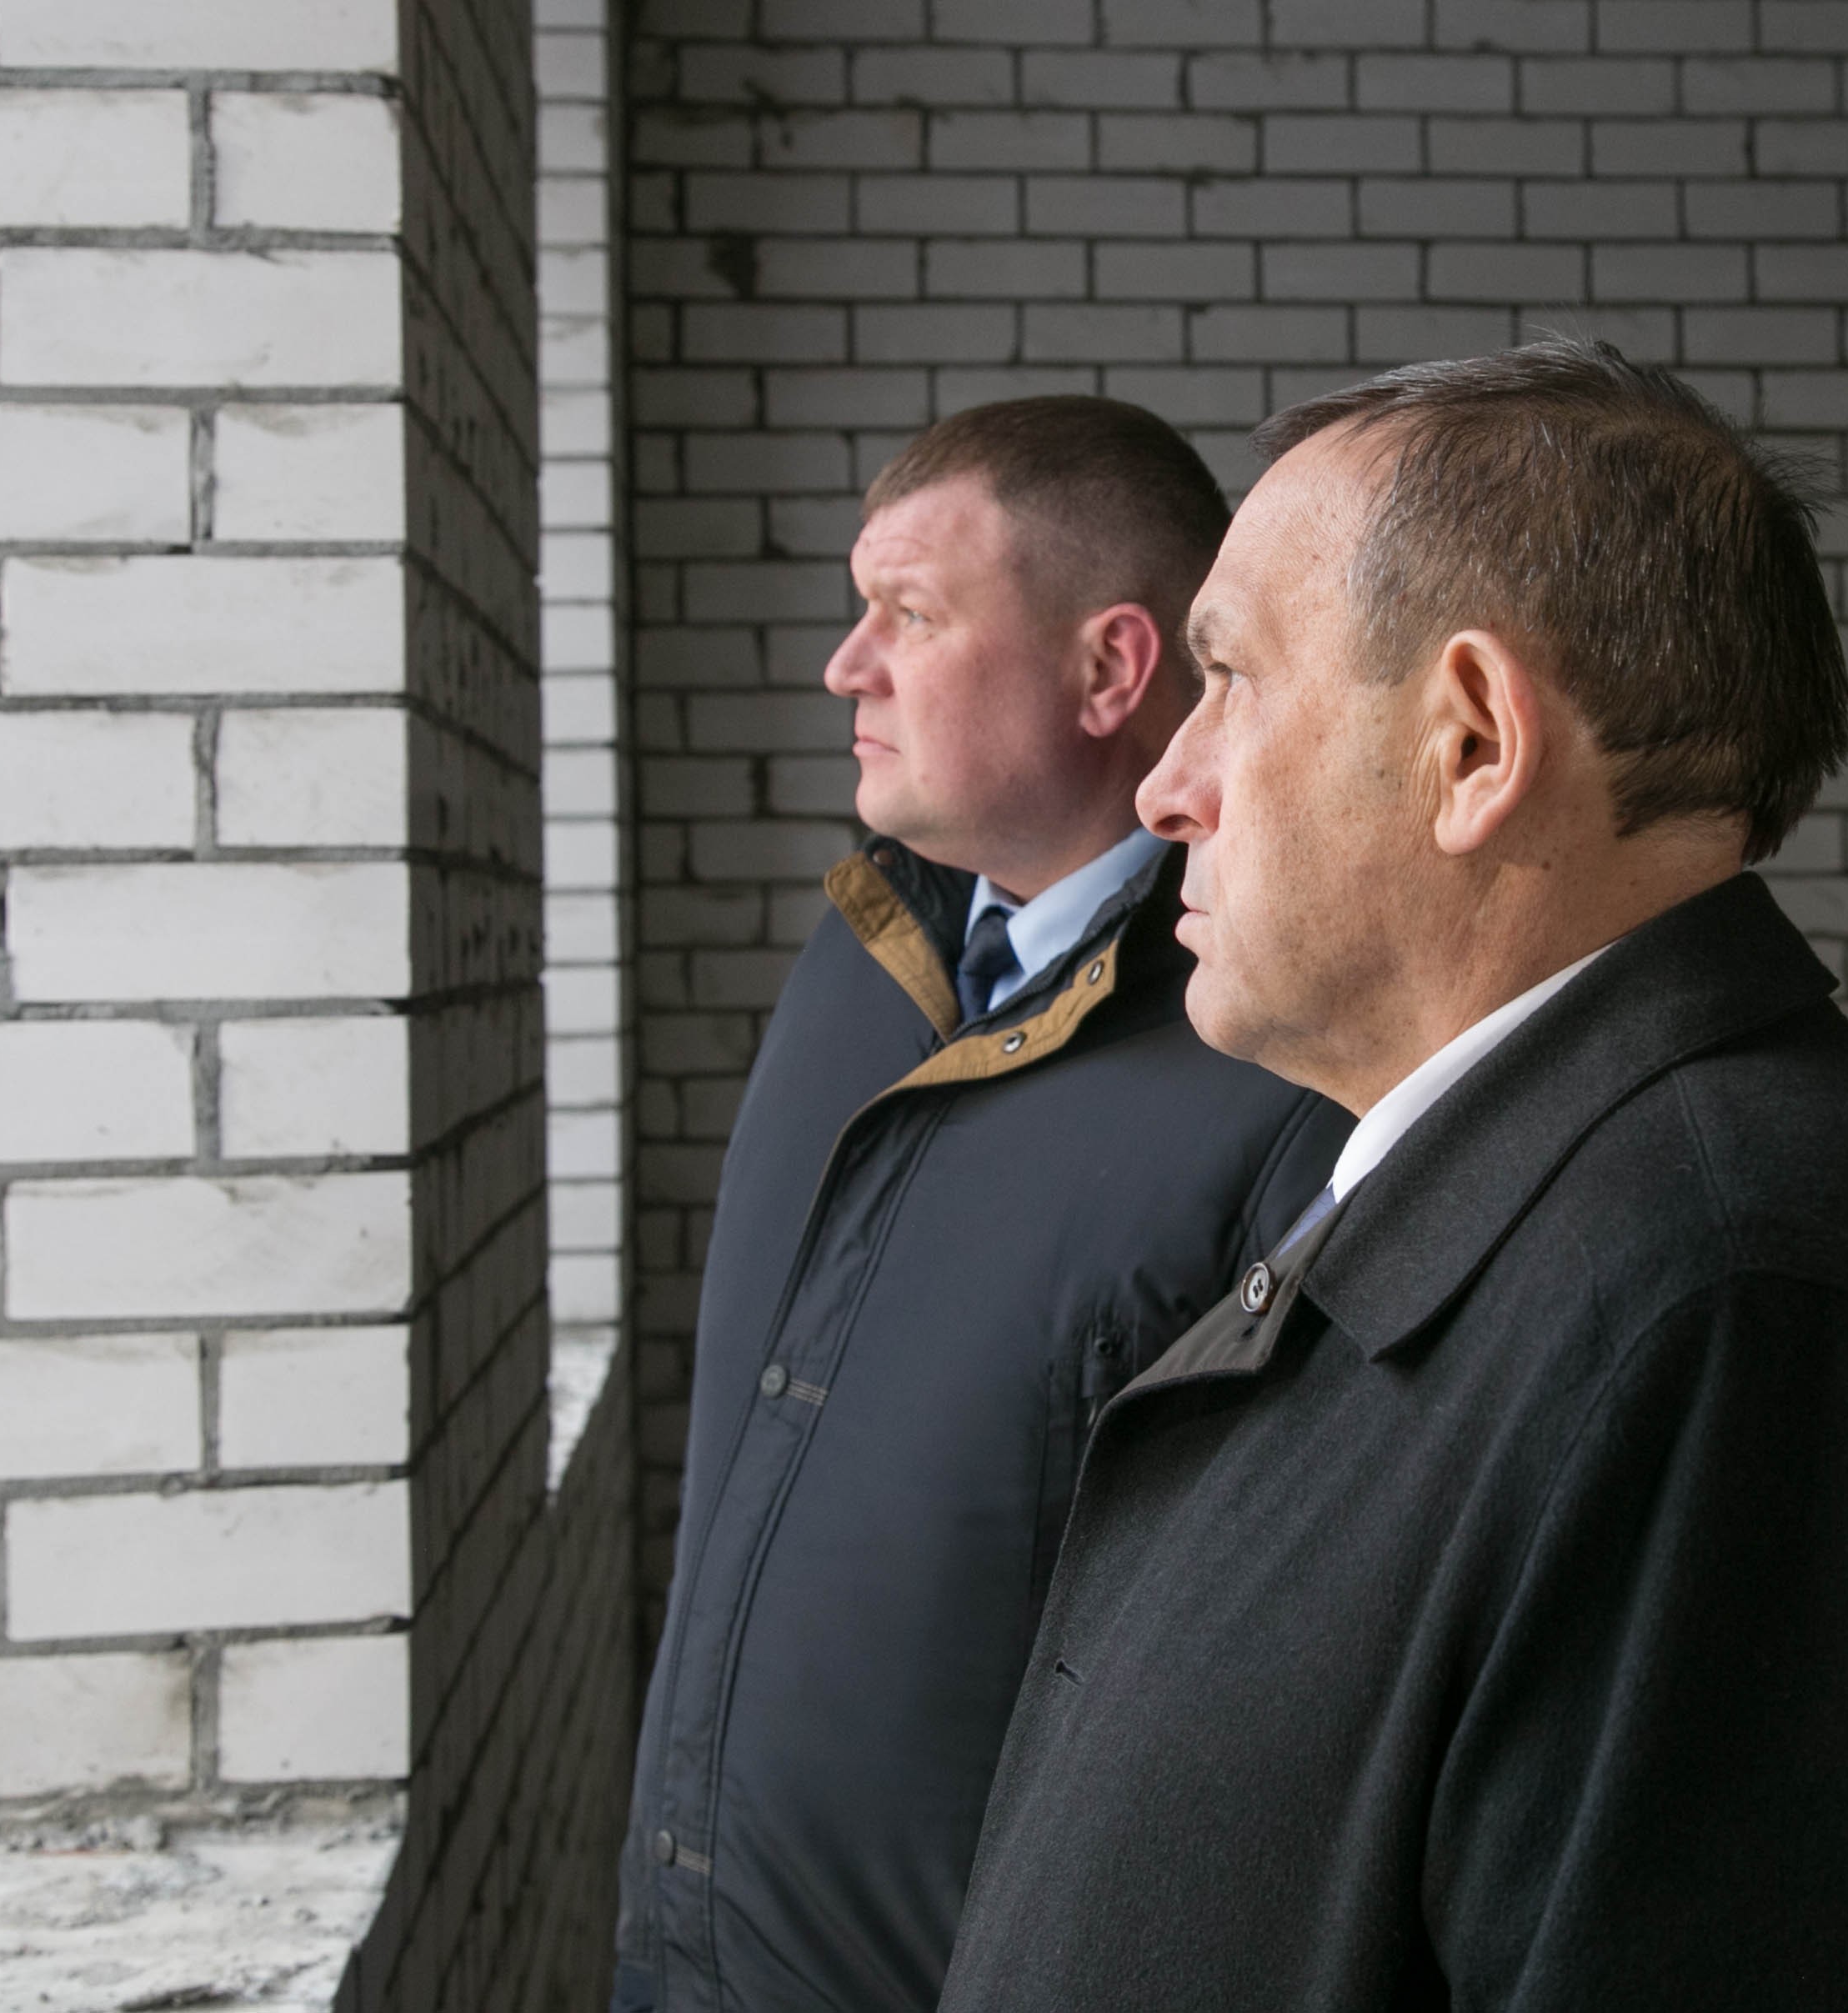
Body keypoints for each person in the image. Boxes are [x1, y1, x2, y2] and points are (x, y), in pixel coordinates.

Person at [939, 343, 1848, 2011]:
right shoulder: (1568, 1223)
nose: (1166, 787)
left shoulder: (1741, 1317)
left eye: (1232, 677)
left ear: (1472, 743)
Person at [608, 397, 1347, 2013]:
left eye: (911, 614)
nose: (846, 666)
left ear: (1110, 670)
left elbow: (1267, 1704)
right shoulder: (866, 954)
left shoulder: (1277, 1071)